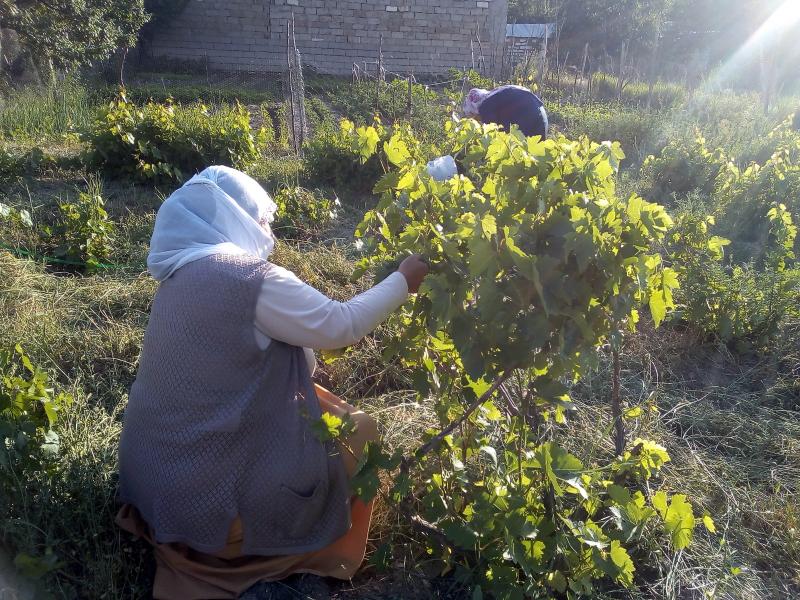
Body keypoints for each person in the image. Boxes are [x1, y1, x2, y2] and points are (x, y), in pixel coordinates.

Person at [116, 165, 429, 600]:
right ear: (232, 218)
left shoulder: (180, 273)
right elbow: (342, 325)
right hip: (207, 508)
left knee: (317, 405)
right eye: (261, 219)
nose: (269, 231)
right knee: (358, 428)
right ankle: (327, 552)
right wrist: (403, 280)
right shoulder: (252, 280)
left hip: (153, 483)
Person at [427, 85, 550, 181]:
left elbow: (492, 139)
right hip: (540, 115)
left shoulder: (486, 107)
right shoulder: (492, 97)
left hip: (529, 118)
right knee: (535, 159)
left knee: (518, 157)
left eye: (474, 116)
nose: (476, 121)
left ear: (475, 109)